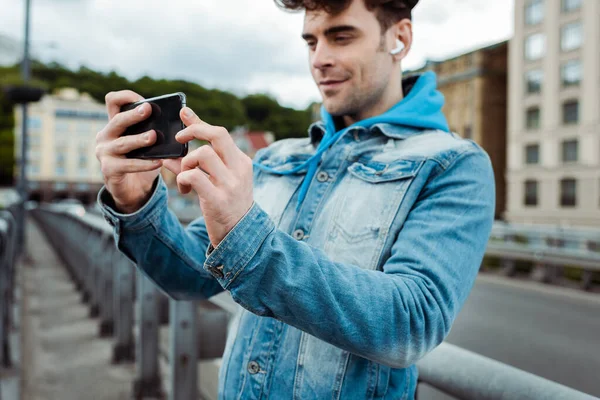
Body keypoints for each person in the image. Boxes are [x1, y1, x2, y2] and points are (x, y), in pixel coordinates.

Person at [95, 0, 496, 398]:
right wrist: (135, 202)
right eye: (311, 42)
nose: (319, 59)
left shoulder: (454, 166)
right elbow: (190, 276)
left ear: (399, 38)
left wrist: (246, 239)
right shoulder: (276, 157)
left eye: (341, 37)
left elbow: (410, 325)